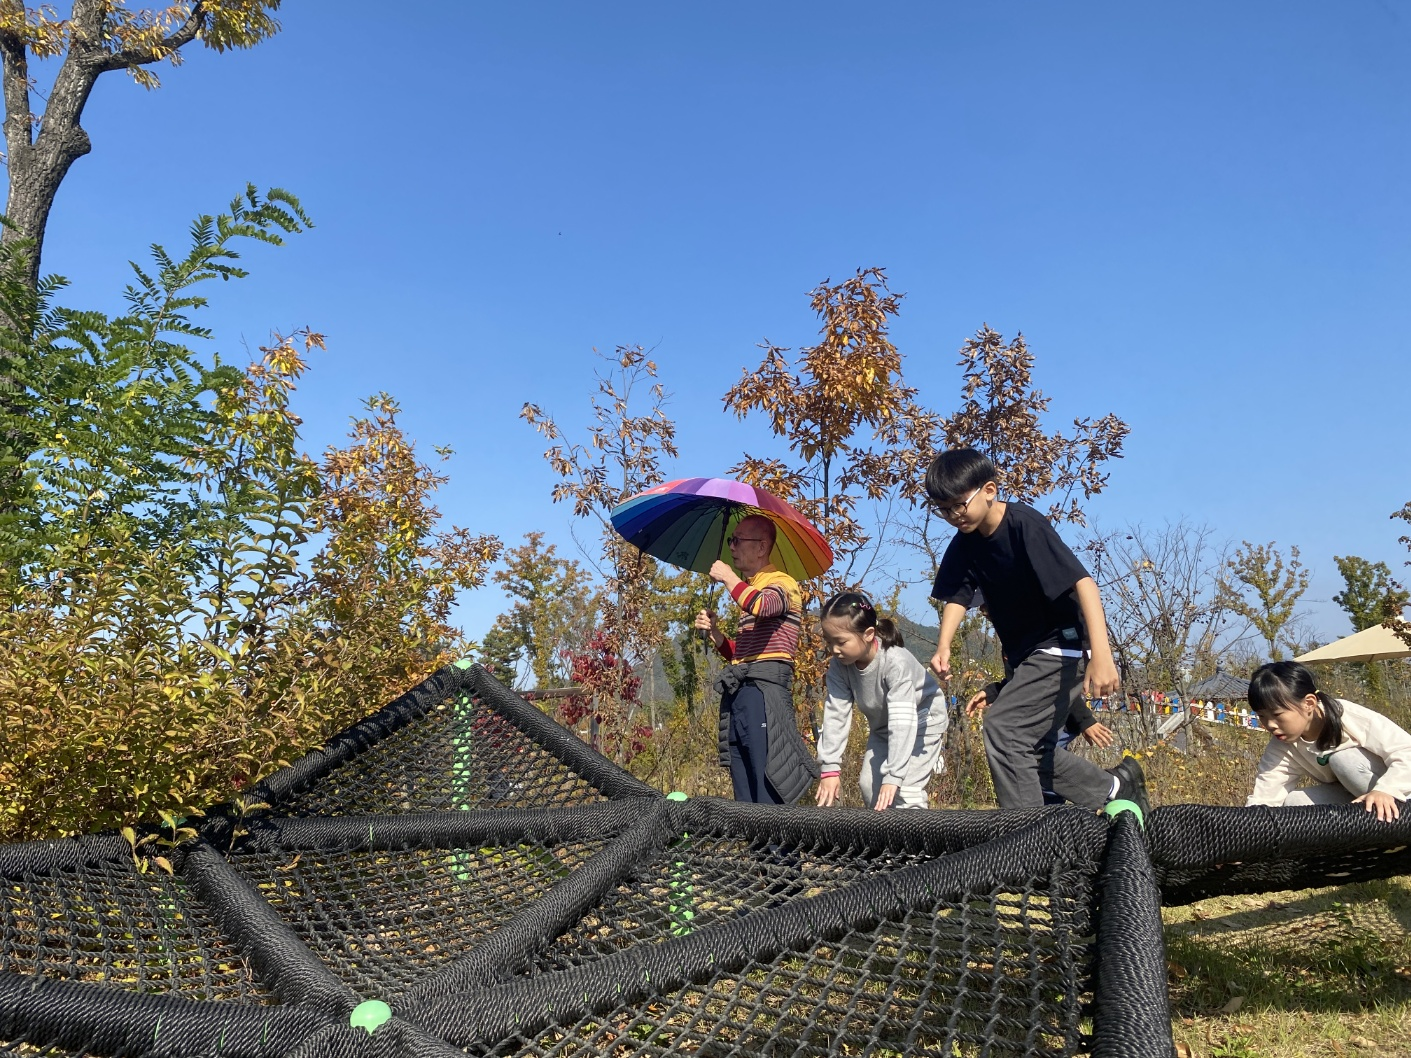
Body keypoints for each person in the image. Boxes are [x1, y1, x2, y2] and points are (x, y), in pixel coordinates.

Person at [925, 448, 1149, 814]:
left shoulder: (1024, 524)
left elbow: (1085, 584)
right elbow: (957, 595)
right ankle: (1116, 787)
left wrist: (1102, 655)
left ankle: (1031, 840)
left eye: (959, 505)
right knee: (1032, 749)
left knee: (1004, 730)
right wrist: (944, 646)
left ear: (989, 490)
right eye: (943, 509)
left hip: (1063, 644)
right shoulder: (966, 543)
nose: (953, 516)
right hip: (1027, 656)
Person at [694, 514, 819, 804]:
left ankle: (776, 850)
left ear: (762, 547)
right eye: (731, 540)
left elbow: (763, 605)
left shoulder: (782, 583)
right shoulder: (751, 588)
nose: (732, 547)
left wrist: (728, 577)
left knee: (766, 781)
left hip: (764, 693)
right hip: (743, 690)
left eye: (737, 540)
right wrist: (716, 633)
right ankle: (758, 849)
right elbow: (741, 655)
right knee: (744, 785)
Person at [813, 592, 948, 811]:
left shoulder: (895, 662)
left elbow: (903, 723)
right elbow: (836, 714)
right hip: (884, 727)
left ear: (868, 634)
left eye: (840, 642)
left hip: (923, 723)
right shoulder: (839, 666)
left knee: (905, 790)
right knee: (869, 786)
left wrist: (894, 776)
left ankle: (918, 841)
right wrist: (830, 768)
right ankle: (885, 842)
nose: (834, 650)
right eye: (829, 642)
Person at [1245, 661, 1411, 821]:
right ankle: (1364, 844)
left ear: (1308, 703)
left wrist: (1386, 790)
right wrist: (1248, 829)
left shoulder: (1348, 716)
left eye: (1277, 715)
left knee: (1344, 760)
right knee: (1296, 803)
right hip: (1356, 799)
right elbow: (1265, 796)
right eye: (1262, 716)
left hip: (1398, 791)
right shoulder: (1282, 745)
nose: (1270, 725)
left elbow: (1406, 751)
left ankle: (1399, 825)